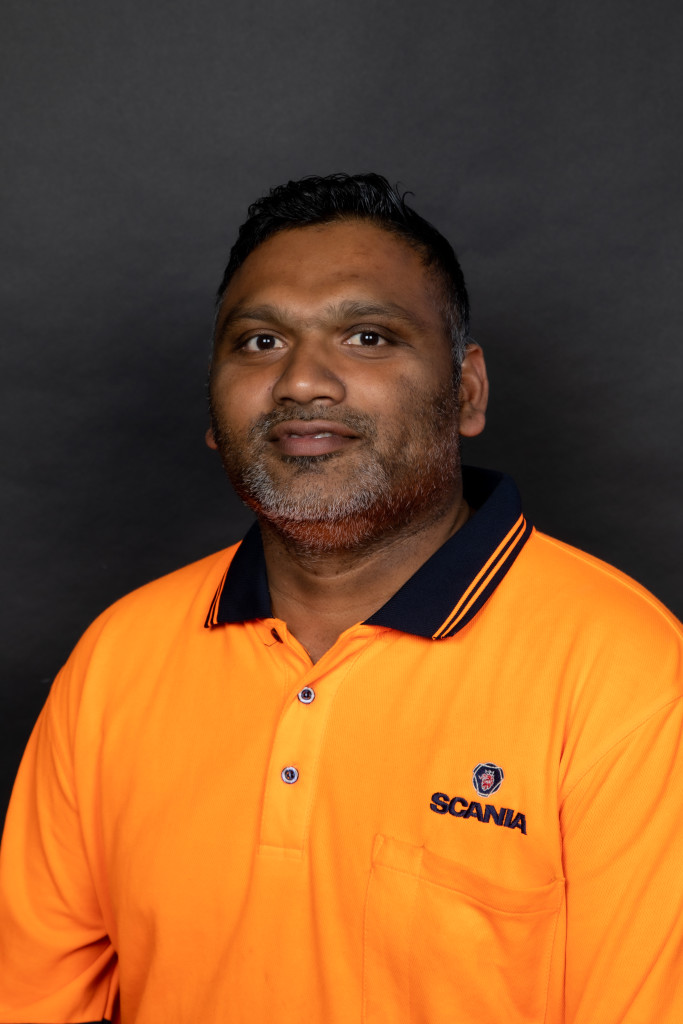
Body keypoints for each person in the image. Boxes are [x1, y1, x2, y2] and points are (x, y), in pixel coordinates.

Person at [0, 173, 681, 1024]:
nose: (301, 382)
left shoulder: (628, 675)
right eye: (259, 342)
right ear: (212, 404)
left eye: (366, 336)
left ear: (466, 392)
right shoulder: (118, 657)